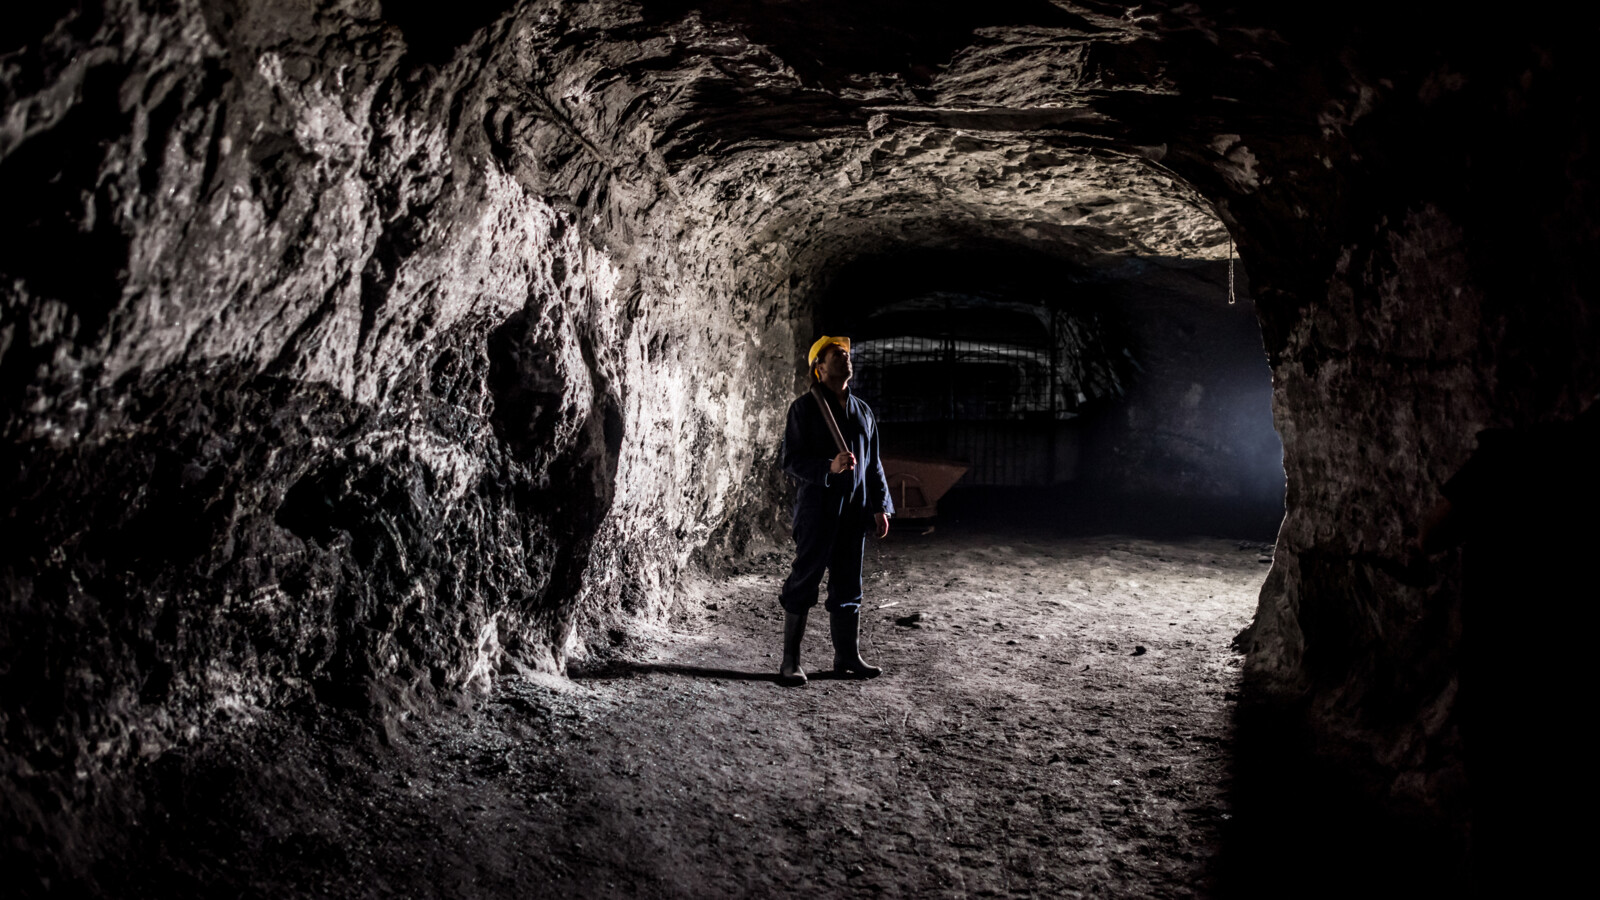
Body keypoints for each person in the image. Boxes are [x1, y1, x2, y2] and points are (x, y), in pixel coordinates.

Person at [776, 335, 894, 686]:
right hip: (818, 511)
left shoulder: (863, 411)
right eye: (837, 355)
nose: (847, 359)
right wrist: (828, 467)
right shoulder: (803, 409)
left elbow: (873, 465)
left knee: (848, 586)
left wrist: (880, 507)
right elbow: (791, 460)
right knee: (804, 581)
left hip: (854, 512)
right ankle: (789, 662)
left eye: (847, 355)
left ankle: (847, 657)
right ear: (820, 367)